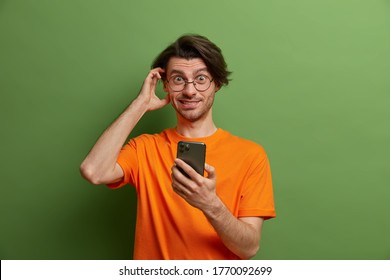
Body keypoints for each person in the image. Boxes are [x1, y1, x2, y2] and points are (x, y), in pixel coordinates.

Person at [80, 34, 276, 260]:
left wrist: (210, 204)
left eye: (201, 79)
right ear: (166, 86)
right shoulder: (145, 148)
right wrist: (140, 104)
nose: (190, 91)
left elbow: (248, 248)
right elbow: (93, 171)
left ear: (217, 84)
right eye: (178, 79)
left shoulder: (251, 155)